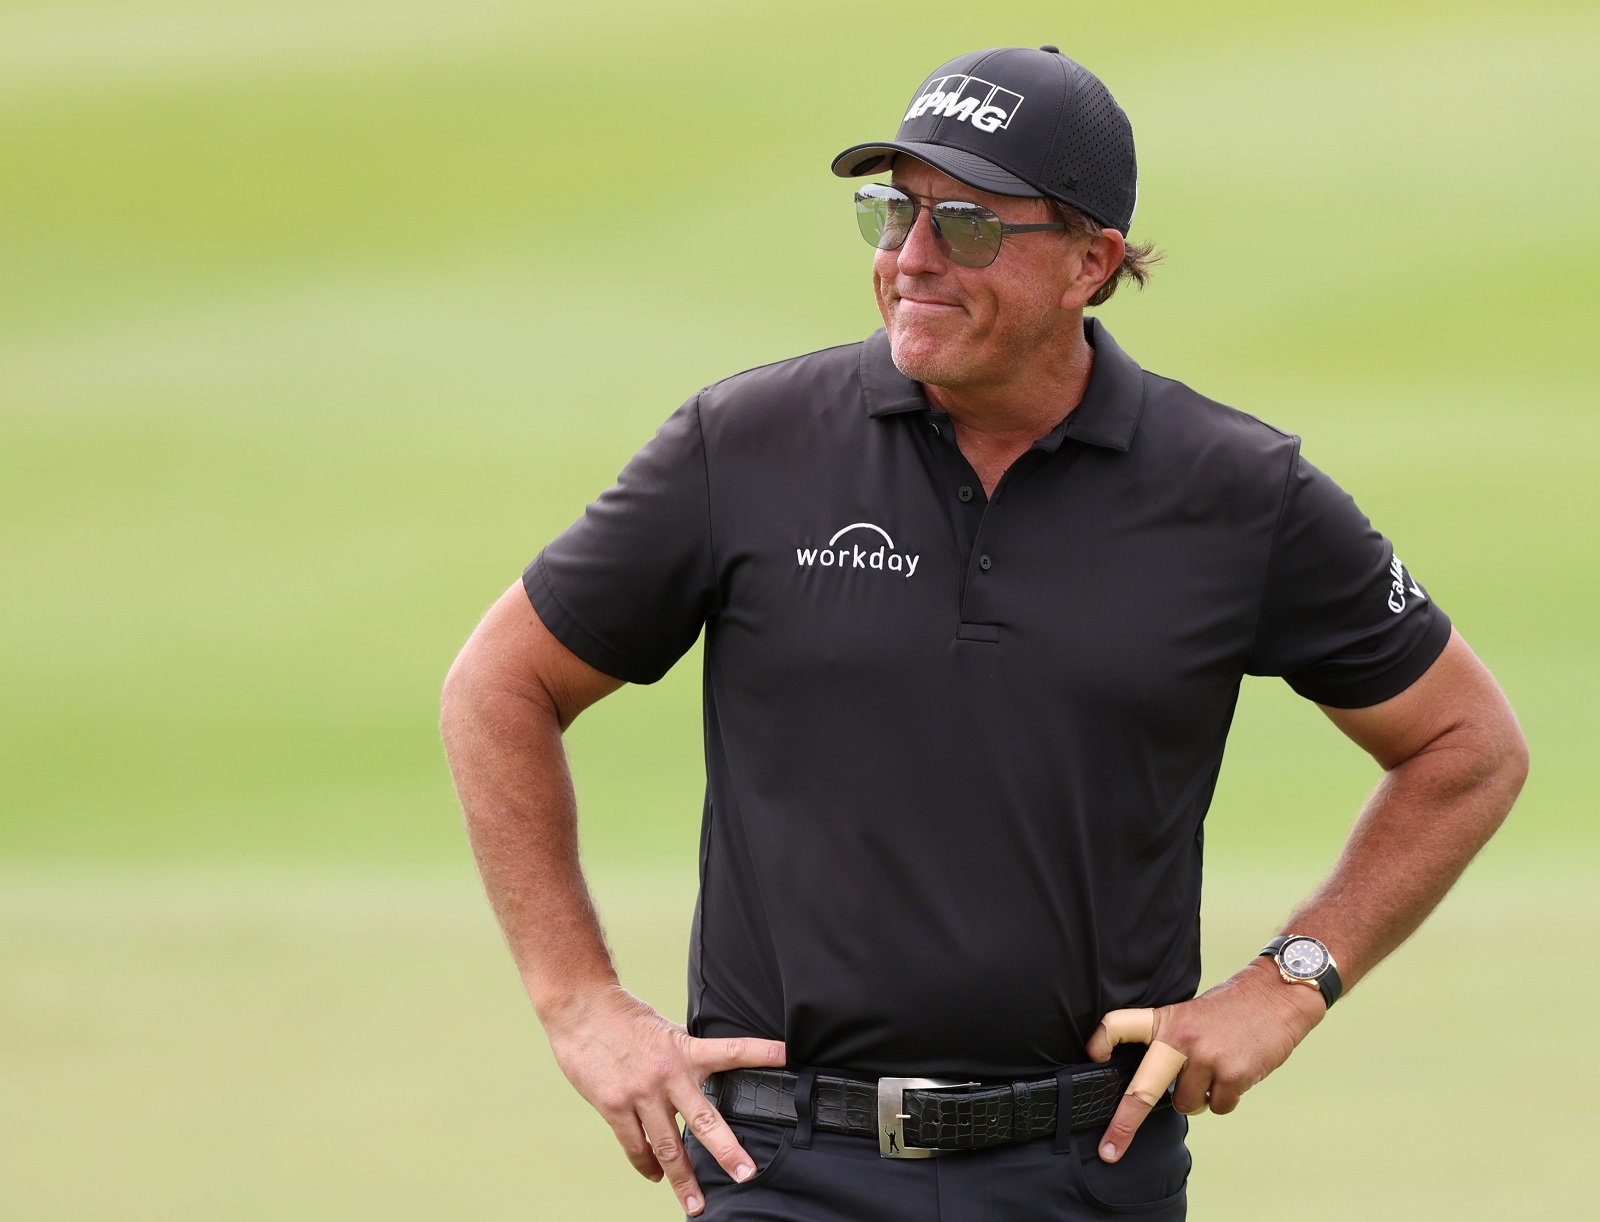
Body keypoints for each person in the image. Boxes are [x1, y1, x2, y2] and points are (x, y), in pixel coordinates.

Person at [440, 45, 1527, 1220]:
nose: (909, 260)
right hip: (782, 1170)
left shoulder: (1235, 492)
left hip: (1083, 1171)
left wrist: (1289, 982)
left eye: (962, 225)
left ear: (1090, 264)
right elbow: (500, 682)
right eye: (890, 213)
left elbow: (1466, 745)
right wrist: (579, 1002)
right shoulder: (743, 445)